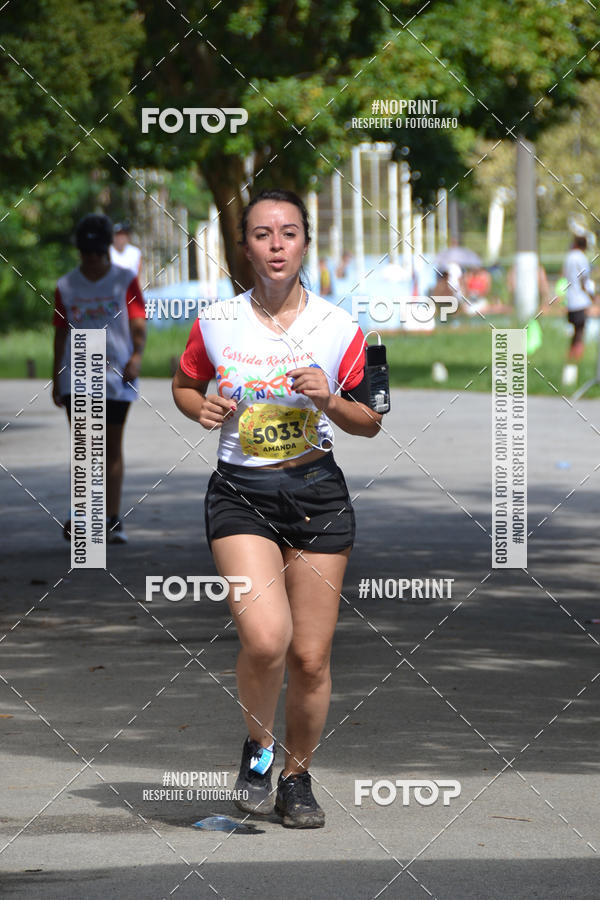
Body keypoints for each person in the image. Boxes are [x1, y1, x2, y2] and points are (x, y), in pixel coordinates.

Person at [172, 189, 383, 828]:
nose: (275, 245)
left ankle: (297, 778)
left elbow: (370, 421)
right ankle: (258, 752)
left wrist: (330, 400)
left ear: (305, 243)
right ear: (245, 247)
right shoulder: (216, 321)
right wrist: (199, 407)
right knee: (266, 640)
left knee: (310, 657)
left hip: (316, 495)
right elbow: (184, 384)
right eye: (262, 234)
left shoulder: (344, 327)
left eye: (288, 233)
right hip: (241, 493)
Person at [52, 213, 146, 543]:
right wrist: (55, 376)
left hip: (117, 373)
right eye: (86, 252)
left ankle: (111, 518)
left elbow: (138, 323)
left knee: (110, 448)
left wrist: (136, 356)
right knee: (85, 447)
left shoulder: (125, 280)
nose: (92, 259)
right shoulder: (66, 285)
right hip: (76, 373)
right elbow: (61, 332)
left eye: (97, 252)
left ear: (107, 249)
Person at [563, 234, 595, 361]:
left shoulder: (569, 257)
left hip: (570, 299)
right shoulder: (581, 258)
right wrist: (592, 296)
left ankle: (570, 357)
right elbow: (584, 280)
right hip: (580, 300)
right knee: (580, 331)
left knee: (575, 331)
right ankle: (576, 358)